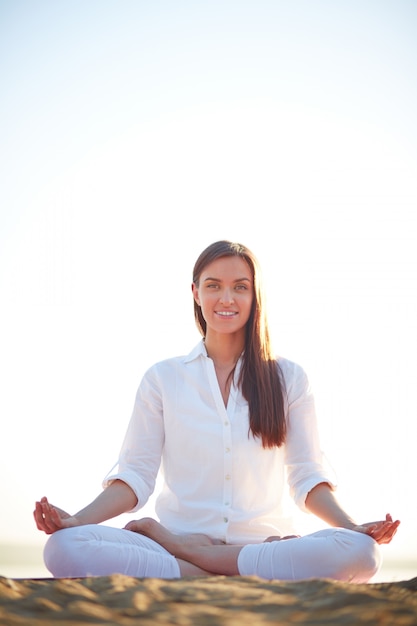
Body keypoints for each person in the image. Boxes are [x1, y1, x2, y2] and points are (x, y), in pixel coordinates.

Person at [34, 240, 399, 582]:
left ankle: (193, 562)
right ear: (195, 292)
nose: (227, 298)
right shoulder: (164, 378)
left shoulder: (288, 377)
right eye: (213, 286)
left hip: (259, 546)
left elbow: (306, 477)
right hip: (196, 546)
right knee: (65, 547)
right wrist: (77, 520)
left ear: (255, 295)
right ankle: (215, 564)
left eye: (240, 286)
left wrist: (352, 528)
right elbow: (135, 477)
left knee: (363, 553)